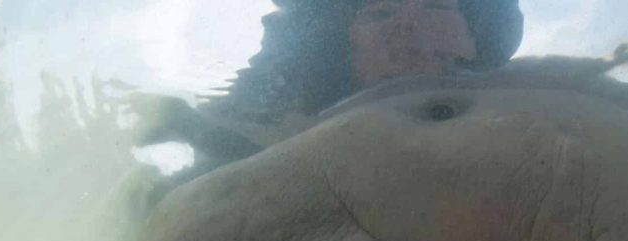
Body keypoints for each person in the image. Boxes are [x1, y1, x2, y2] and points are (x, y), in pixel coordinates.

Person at [130, 0, 523, 197]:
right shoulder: (295, 83)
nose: (409, 30)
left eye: (435, 4)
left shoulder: (515, 111)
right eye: (381, 15)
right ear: (348, 49)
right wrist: (189, 124)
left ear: (475, 35)